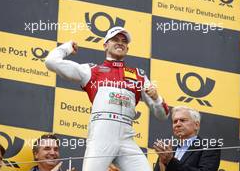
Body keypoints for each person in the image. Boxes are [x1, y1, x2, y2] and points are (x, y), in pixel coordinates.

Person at [45, 26, 170, 171]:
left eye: (124, 41)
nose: (120, 42)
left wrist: (156, 98)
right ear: (105, 45)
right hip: (101, 136)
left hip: (126, 138)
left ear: (127, 49)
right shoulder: (91, 71)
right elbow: (50, 61)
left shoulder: (139, 76)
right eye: (115, 39)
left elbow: (163, 115)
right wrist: (67, 47)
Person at [153, 106, 221, 171]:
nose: (177, 124)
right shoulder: (168, 151)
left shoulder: (210, 146)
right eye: (175, 121)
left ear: (196, 125)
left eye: (183, 120)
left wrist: (171, 161)